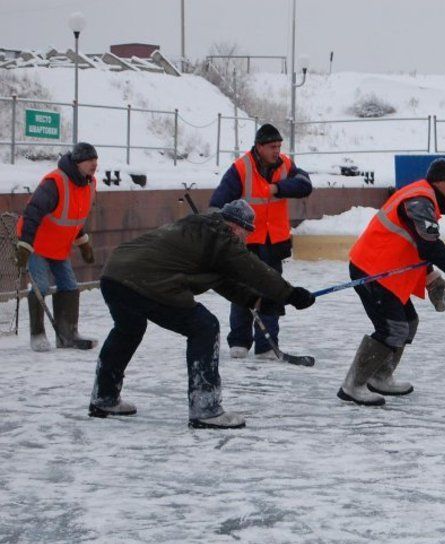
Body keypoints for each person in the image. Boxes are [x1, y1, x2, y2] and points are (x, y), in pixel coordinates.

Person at [88, 199, 316, 429]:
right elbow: (254, 270)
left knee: (128, 330)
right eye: (246, 234)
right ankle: (205, 409)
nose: (245, 241)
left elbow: (222, 281)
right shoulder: (222, 236)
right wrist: (290, 294)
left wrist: (258, 302)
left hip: (114, 275)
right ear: (237, 227)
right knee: (204, 327)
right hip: (147, 281)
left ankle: (104, 397)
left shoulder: (201, 229)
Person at [338, 158, 445, 407]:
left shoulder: (423, 199)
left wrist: (431, 277)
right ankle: (353, 385)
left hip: (386, 272)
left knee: (408, 323)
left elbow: (416, 243)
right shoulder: (420, 200)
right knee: (393, 328)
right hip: (372, 270)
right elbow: (429, 244)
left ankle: (380, 376)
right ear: (439, 182)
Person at [210, 123, 313, 361]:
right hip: (246, 244)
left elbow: (305, 185)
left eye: (279, 146)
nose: (277, 151)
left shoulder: (286, 164)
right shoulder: (241, 168)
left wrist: (278, 188)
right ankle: (239, 341)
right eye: (272, 147)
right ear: (259, 147)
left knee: (273, 291)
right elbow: (218, 202)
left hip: (274, 243)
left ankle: (267, 345)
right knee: (242, 292)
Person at [15, 142, 98, 352]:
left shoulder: (89, 184)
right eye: (89, 160)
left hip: (59, 246)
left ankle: (67, 335)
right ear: (77, 163)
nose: (94, 164)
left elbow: (73, 216)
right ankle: (37, 335)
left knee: (69, 286)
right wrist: (24, 245)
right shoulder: (55, 183)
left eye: (96, 160)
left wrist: (83, 242)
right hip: (37, 243)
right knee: (41, 286)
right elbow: (32, 212)